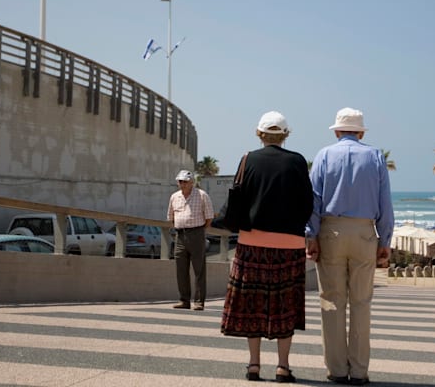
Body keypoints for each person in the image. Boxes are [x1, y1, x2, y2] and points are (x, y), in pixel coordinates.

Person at [220, 111, 313, 383]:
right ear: (285, 135)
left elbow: (237, 200)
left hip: (252, 243)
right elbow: (308, 204)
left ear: (259, 134)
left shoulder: (248, 159)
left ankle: (254, 365)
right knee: (285, 306)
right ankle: (283, 367)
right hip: (290, 244)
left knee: (253, 305)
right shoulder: (296, 162)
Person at [305, 107, 394, 386]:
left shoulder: (324, 155)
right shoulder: (376, 156)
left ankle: (336, 370)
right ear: (361, 131)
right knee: (361, 302)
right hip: (365, 232)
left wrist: (312, 236)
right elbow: (385, 202)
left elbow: (314, 201)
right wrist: (385, 240)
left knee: (331, 301)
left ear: (336, 131)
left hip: (330, 229)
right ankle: (358, 371)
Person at [167, 169, 214, 311]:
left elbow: (209, 217)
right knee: (180, 269)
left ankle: (199, 301)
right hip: (180, 235)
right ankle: (184, 300)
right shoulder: (174, 197)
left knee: (199, 269)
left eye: (185, 181)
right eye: (180, 181)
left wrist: (199, 231)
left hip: (196, 234)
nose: (182, 184)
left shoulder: (201, 195)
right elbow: (170, 217)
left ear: (192, 182)